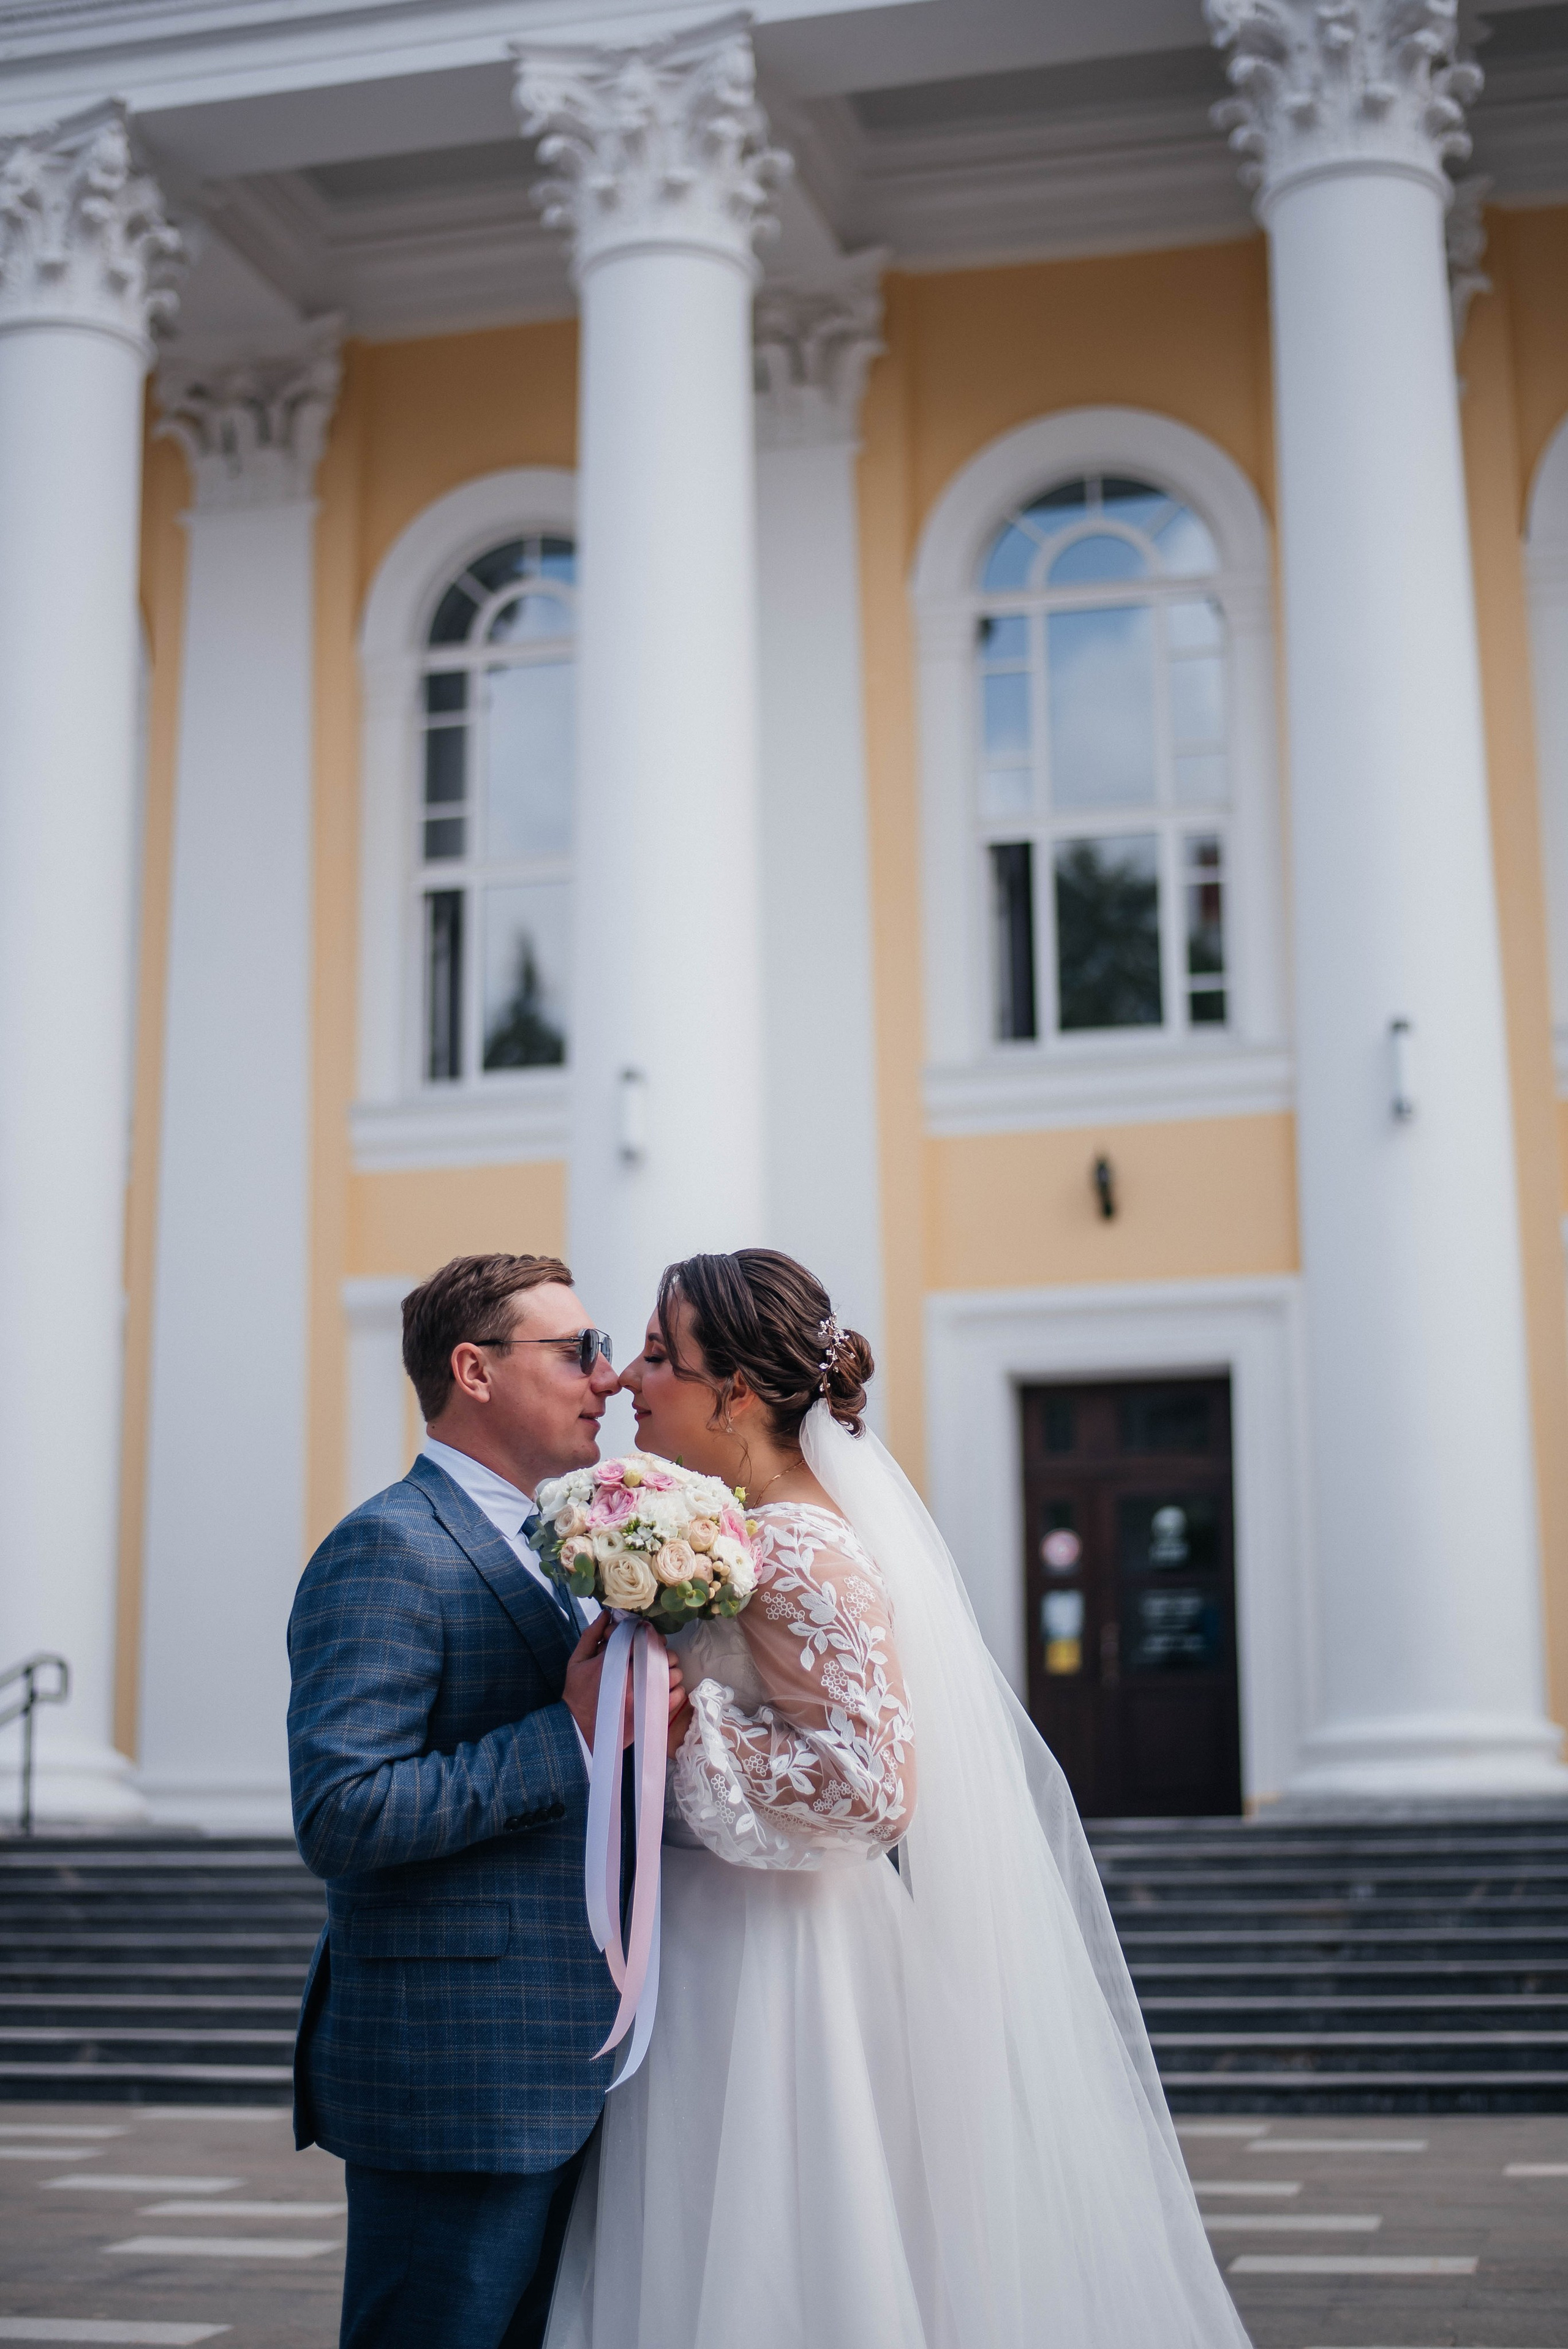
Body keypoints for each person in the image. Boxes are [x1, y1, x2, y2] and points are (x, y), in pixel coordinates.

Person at [543, 1248, 1253, 2349]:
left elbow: (875, 1788)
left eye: (656, 1355)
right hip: (719, 1937)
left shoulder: (795, 1547)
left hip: (781, 1964)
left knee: (782, 2251)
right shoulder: (744, 1530)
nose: (630, 1380)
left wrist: (680, 1723)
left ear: (734, 1391)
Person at [286, 1252, 686, 2349]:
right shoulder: (387, 1549)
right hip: (455, 2077)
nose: (607, 1380)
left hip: (577, 2066)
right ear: (474, 1369)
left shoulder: (571, 1547)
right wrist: (567, 1730)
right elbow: (342, 1812)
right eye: (577, 1351)